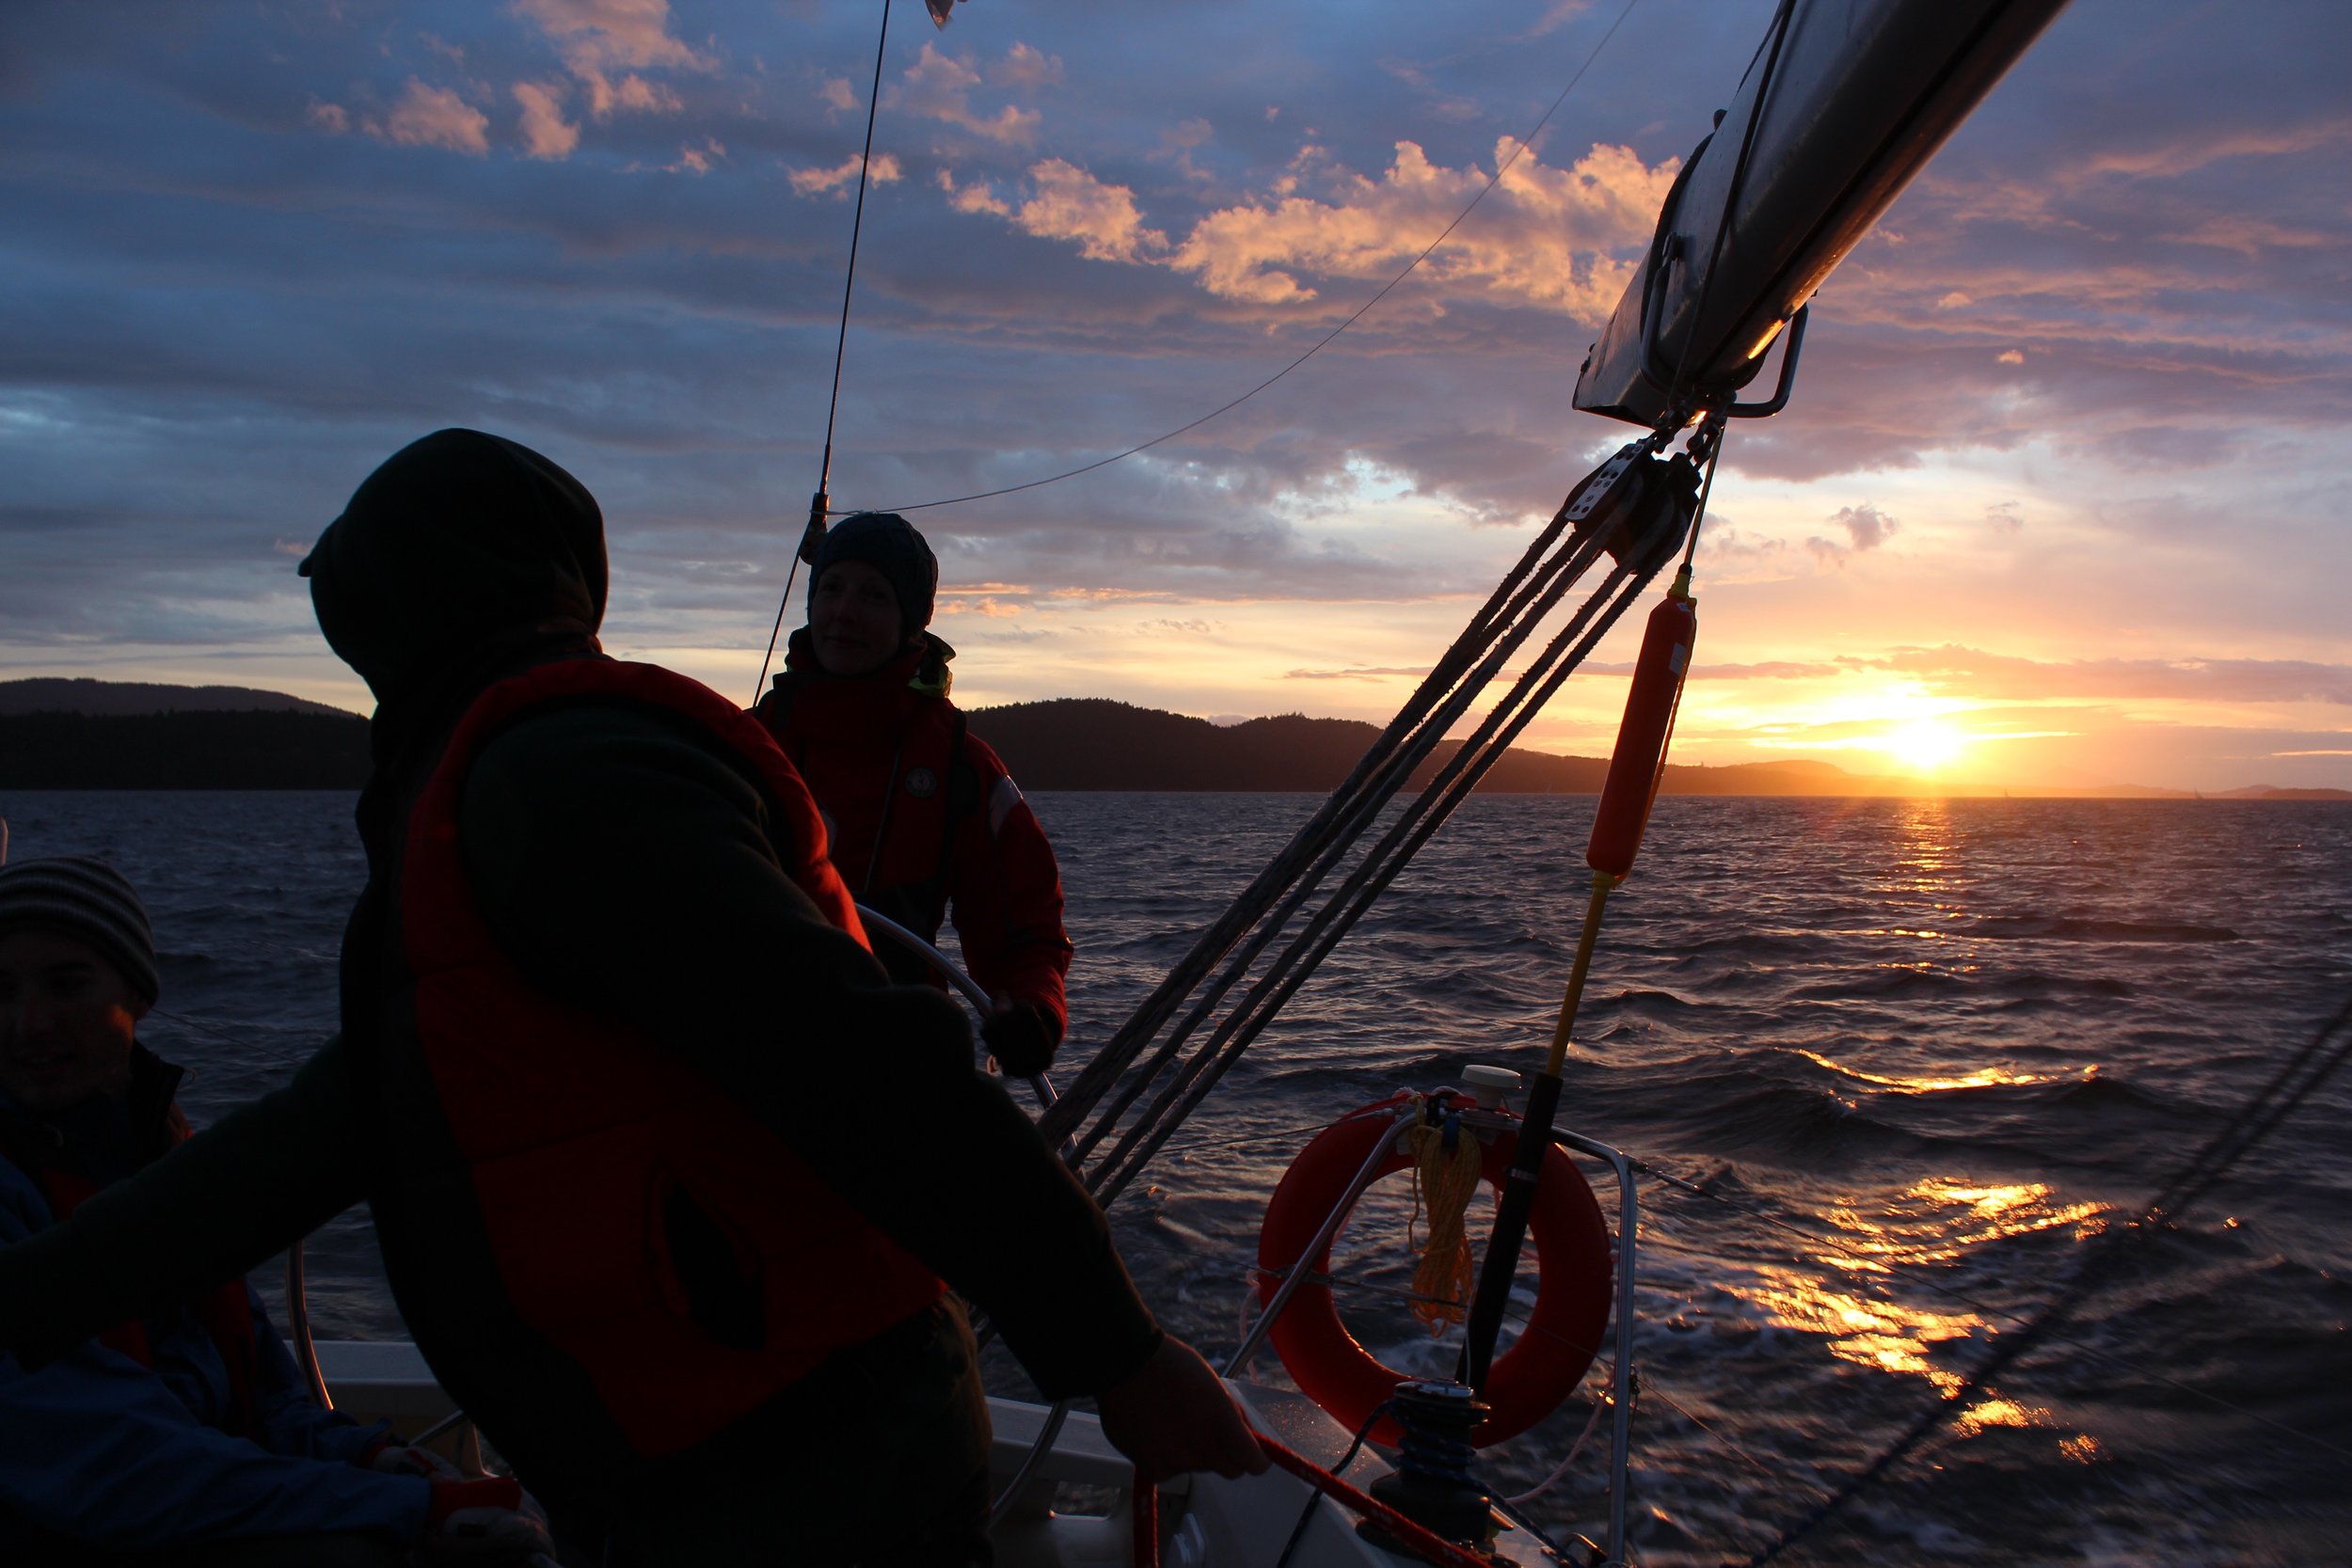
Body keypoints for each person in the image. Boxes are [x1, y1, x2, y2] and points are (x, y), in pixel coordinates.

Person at [0, 430, 1263, 1566]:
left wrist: (1113, 1351)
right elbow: (329, 1128)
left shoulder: (569, 780)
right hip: (684, 1457)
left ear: (407, 599)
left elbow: (858, 1058)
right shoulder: (494, 792)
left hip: (796, 1459)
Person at [0, 855, 547, 1565]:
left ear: (137, 993)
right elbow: (110, 1463)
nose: (29, 1023)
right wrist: (409, 1508)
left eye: (66, 984)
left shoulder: (163, 1162)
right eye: (1, 991)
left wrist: (376, 1458)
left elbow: (264, 1398)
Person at [755, 513, 1071, 1079]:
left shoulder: (960, 770)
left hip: (892, 1068)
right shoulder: (748, 745)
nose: (844, 611)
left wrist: (1032, 1010)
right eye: (832, 588)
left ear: (910, 625)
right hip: (741, 1055)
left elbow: (1025, 927)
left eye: (874, 596)